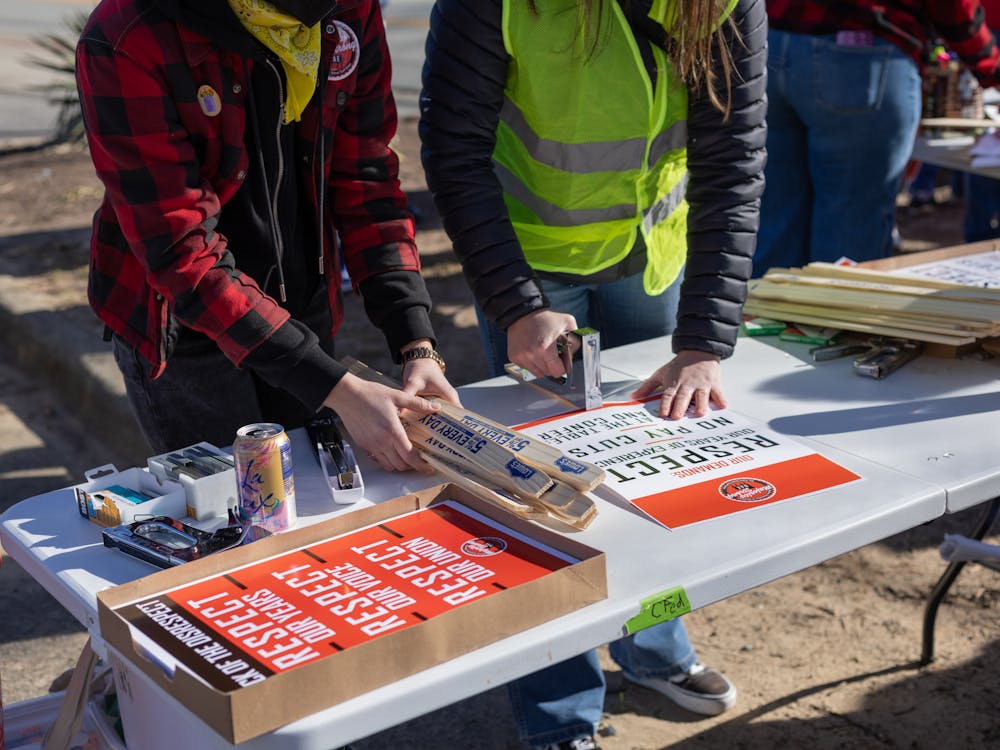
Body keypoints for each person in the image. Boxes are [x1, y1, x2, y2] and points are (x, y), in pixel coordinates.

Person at [419, 0, 766, 746]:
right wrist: (515, 303)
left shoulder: (726, 4)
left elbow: (732, 160)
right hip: (534, 272)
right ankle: (558, 715)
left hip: (650, 268)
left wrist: (703, 338)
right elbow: (454, 145)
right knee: (537, 492)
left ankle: (653, 649)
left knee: (648, 474)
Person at [75, 0, 458, 469]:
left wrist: (415, 342)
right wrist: (336, 389)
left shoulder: (348, 11)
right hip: (186, 335)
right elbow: (182, 252)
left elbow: (367, 180)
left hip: (302, 304)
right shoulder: (126, 37)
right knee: (236, 523)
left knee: (321, 502)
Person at [757, 0, 1000, 276]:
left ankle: (765, 314)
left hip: (773, 43)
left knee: (775, 224)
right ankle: (828, 315)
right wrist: (990, 65)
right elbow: (956, 9)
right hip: (859, 54)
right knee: (847, 240)